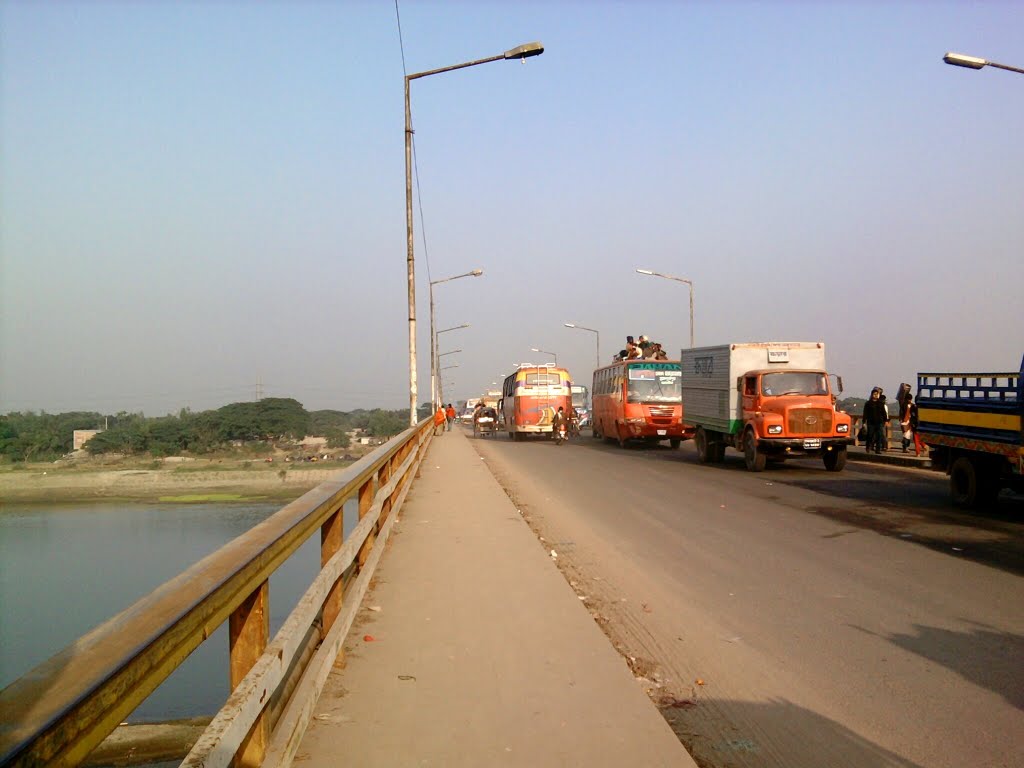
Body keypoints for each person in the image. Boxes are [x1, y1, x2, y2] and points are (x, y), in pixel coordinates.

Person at [862, 387, 887, 455]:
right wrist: (864, 422)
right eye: (874, 394)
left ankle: (878, 449)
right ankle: (868, 446)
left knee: (879, 436)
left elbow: (884, 412)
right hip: (871, 422)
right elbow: (865, 413)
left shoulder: (880, 403)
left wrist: (886, 420)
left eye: (876, 394)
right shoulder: (868, 403)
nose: (875, 395)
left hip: (879, 422)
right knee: (870, 435)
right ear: (872, 395)